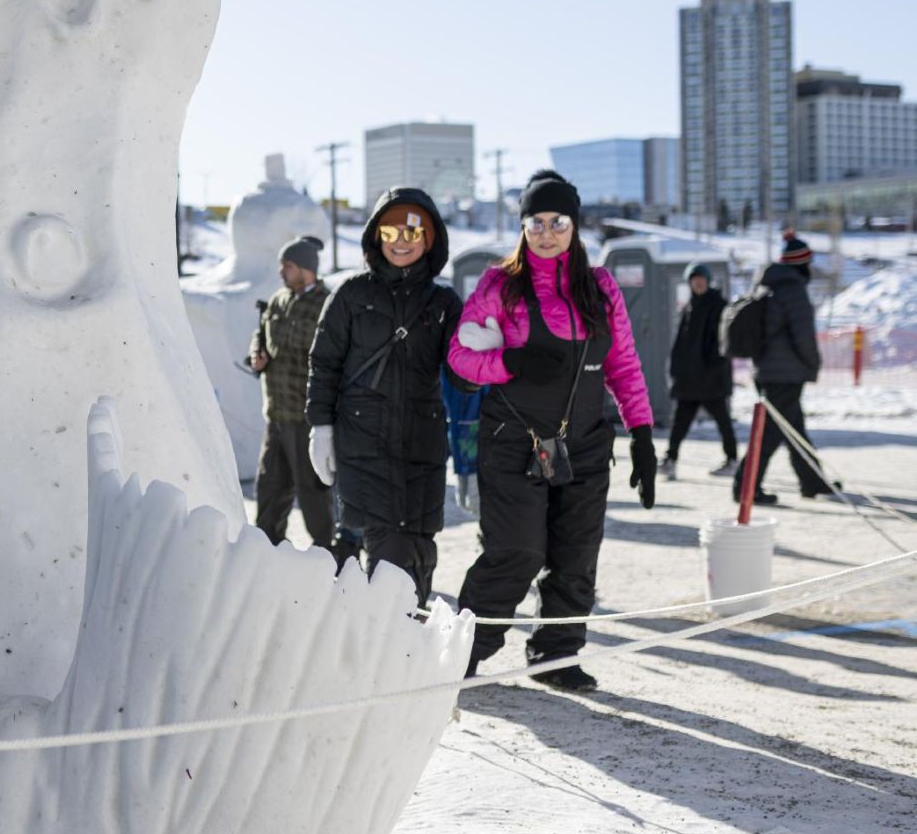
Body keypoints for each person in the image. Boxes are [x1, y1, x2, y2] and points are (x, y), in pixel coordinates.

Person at [446, 170, 655, 690]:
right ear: (523, 227)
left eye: (557, 221)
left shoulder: (601, 288)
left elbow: (623, 366)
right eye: (535, 222)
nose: (546, 232)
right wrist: (510, 362)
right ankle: (460, 655)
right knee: (517, 551)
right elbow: (459, 357)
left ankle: (555, 655)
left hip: (584, 443)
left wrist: (643, 436)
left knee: (575, 556)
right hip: (513, 442)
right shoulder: (500, 285)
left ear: (574, 225)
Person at [304, 188, 462, 603]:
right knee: (389, 553)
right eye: (390, 231)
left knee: (420, 550)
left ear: (430, 238)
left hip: (422, 446)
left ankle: (406, 633)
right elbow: (324, 363)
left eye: (413, 231)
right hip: (363, 442)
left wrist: (480, 350)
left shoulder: (444, 303)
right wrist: (320, 427)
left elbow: (462, 376)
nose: (401, 241)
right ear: (377, 236)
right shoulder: (352, 294)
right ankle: (387, 634)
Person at [248, 236, 333, 546]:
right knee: (269, 491)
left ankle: (329, 559)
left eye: (288, 266)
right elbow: (260, 334)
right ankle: (268, 555)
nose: (281, 271)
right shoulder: (278, 300)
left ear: (306, 268)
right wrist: (256, 354)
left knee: (313, 497)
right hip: (275, 417)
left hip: (306, 419)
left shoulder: (327, 304)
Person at [736, 233, 830, 504]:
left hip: (768, 370)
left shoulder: (769, 287)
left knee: (794, 429)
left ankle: (812, 481)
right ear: (801, 264)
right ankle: (745, 487)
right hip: (785, 374)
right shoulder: (793, 291)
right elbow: (803, 336)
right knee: (769, 433)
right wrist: (813, 363)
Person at [664, 262, 737, 480]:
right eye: (694, 280)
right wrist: (676, 369)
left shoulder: (718, 305)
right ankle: (670, 460)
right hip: (689, 378)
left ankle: (732, 460)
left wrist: (713, 369)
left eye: (701, 280)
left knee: (723, 420)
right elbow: (682, 343)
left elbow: (721, 345)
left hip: (710, 379)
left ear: (708, 281)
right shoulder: (690, 307)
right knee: (680, 421)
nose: (698, 284)